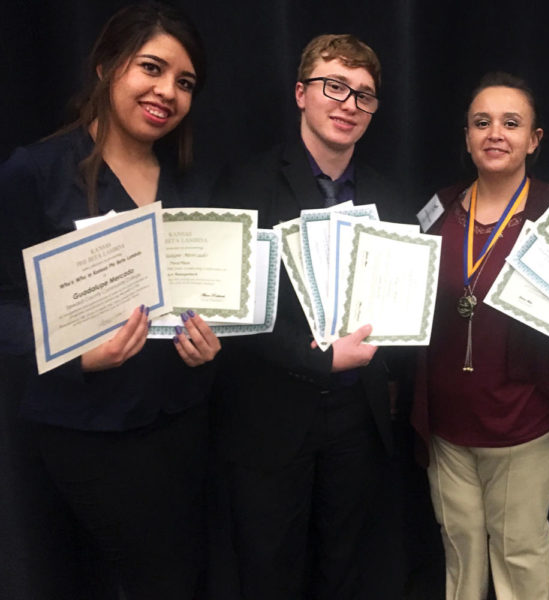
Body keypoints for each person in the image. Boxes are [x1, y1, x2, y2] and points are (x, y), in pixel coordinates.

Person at [0, 3, 219, 599]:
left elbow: (206, 295)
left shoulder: (189, 182)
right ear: (106, 66)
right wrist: (71, 351)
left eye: (185, 82)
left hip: (183, 422)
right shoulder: (37, 172)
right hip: (89, 432)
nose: (167, 91)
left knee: (184, 573)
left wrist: (213, 340)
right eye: (152, 67)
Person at [213, 34, 403, 599]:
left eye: (364, 95)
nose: (349, 104)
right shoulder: (245, 184)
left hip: (357, 419)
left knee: (344, 565)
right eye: (334, 87)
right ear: (301, 93)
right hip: (270, 417)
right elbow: (233, 310)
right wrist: (317, 357)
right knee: (269, 567)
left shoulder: (388, 199)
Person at [412, 72, 549, 600]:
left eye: (512, 123)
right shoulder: (437, 210)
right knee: (460, 550)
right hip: (446, 424)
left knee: (519, 554)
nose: (496, 133)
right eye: (482, 122)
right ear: (466, 136)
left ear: (534, 140)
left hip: (525, 423)